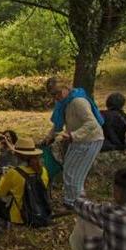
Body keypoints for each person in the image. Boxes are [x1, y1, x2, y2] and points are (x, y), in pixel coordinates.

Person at [43, 76, 104, 210]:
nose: (56, 97)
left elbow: (92, 123)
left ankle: (72, 204)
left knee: (73, 173)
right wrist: (49, 136)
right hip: (79, 139)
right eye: (53, 95)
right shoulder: (64, 103)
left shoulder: (78, 102)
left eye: (57, 93)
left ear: (66, 88)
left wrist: (73, 135)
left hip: (90, 139)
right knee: (71, 171)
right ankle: (78, 201)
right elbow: (58, 125)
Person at [0, 136, 50, 237]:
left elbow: (0, 192)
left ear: (18, 155)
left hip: (21, 216)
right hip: (40, 212)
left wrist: (5, 176)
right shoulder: (43, 171)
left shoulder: (14, 173)